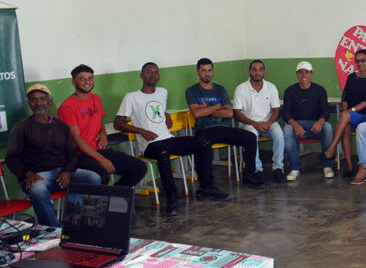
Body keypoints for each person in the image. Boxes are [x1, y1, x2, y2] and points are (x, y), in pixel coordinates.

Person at [114, 62, 229, 217]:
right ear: (141, 75)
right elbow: (118, 123)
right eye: (148, 72)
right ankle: (172, 198)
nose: (153, 75)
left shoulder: (163, 92)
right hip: (150, 144)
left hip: (168, 138)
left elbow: (158, 110)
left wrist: (166, 115)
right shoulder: (132, 97)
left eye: (156, 72)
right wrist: (141, 131)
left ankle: (207, 188)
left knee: (203, 142)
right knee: (163, 152)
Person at [6, 84, 101, 227]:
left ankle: (82, 224)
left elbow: (71, 153)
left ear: (49, 101)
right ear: (29, 103)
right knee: (38, 190)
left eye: (42, 99)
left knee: (93, 177)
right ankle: (54, 232)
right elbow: (11, 158)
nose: (38, 103)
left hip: (61, 172)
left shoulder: (61, 126)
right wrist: (27, 173)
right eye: (33, 100)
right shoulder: (21, 127)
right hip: (36, 176)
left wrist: (67, 170)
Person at [58, 64, 147, 187]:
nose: (87, 82)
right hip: (79, 155)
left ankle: (114, 196)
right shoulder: (67, 107)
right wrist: (102, 160)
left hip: (99, 150)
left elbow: (98, 119)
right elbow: (77, 140)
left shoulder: (95, 98)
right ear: (73, 82)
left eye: (90, 78)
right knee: (102, 174)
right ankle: (103, 201)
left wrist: (103, 133)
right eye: (82, 79)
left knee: (139, 167)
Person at [185, 58, 264, 188]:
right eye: (203, 71)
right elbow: (197, 114)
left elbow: (229, 114)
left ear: (213, 71)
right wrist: (218, 106)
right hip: (204, 129)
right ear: (198, 72)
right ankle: (207, 186)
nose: (207, 74)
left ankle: (249, 175)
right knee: (202, 144)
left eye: (209, 70)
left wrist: (207, 109)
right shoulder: (192, 91)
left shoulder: (220, 89)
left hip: (224, 128)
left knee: (250, 137)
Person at [323, 49, 366, 178]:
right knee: (346, 127)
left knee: (345, 117)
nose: (360, 63)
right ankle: (349, 166)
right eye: (357, 61)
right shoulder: (351, 77)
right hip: (351, 116)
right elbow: (344, 98)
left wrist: (350, 111)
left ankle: (332, 148)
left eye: (363, 60)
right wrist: (346, 111)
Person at [233, 60, 285, 183]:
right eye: (254, 69)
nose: (257, 72)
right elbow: (237, 113)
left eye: (260, 69)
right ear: (249, 71)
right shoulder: (240, 89)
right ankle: (257, 170)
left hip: (268, 122)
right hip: (248, 123)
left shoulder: (271, 87)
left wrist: (268, 123)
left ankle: (278, 168)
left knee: (279, 134)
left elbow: (277, 110)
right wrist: (254, 123)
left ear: (264, 72)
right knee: (252, 136)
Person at [282, 61, 334, 181]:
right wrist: (294, 124)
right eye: (300, 72)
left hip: (315, 126)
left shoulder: (320, 90)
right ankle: (294, 168)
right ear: (296, 74)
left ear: (311, 74)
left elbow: (326, 111)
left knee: (328, 127)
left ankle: (327, 166)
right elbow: (285, 113)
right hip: (297, 126)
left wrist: (320, 121)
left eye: (307, 72)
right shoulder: (290, 91)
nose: (303, 75)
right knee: (287, 129)